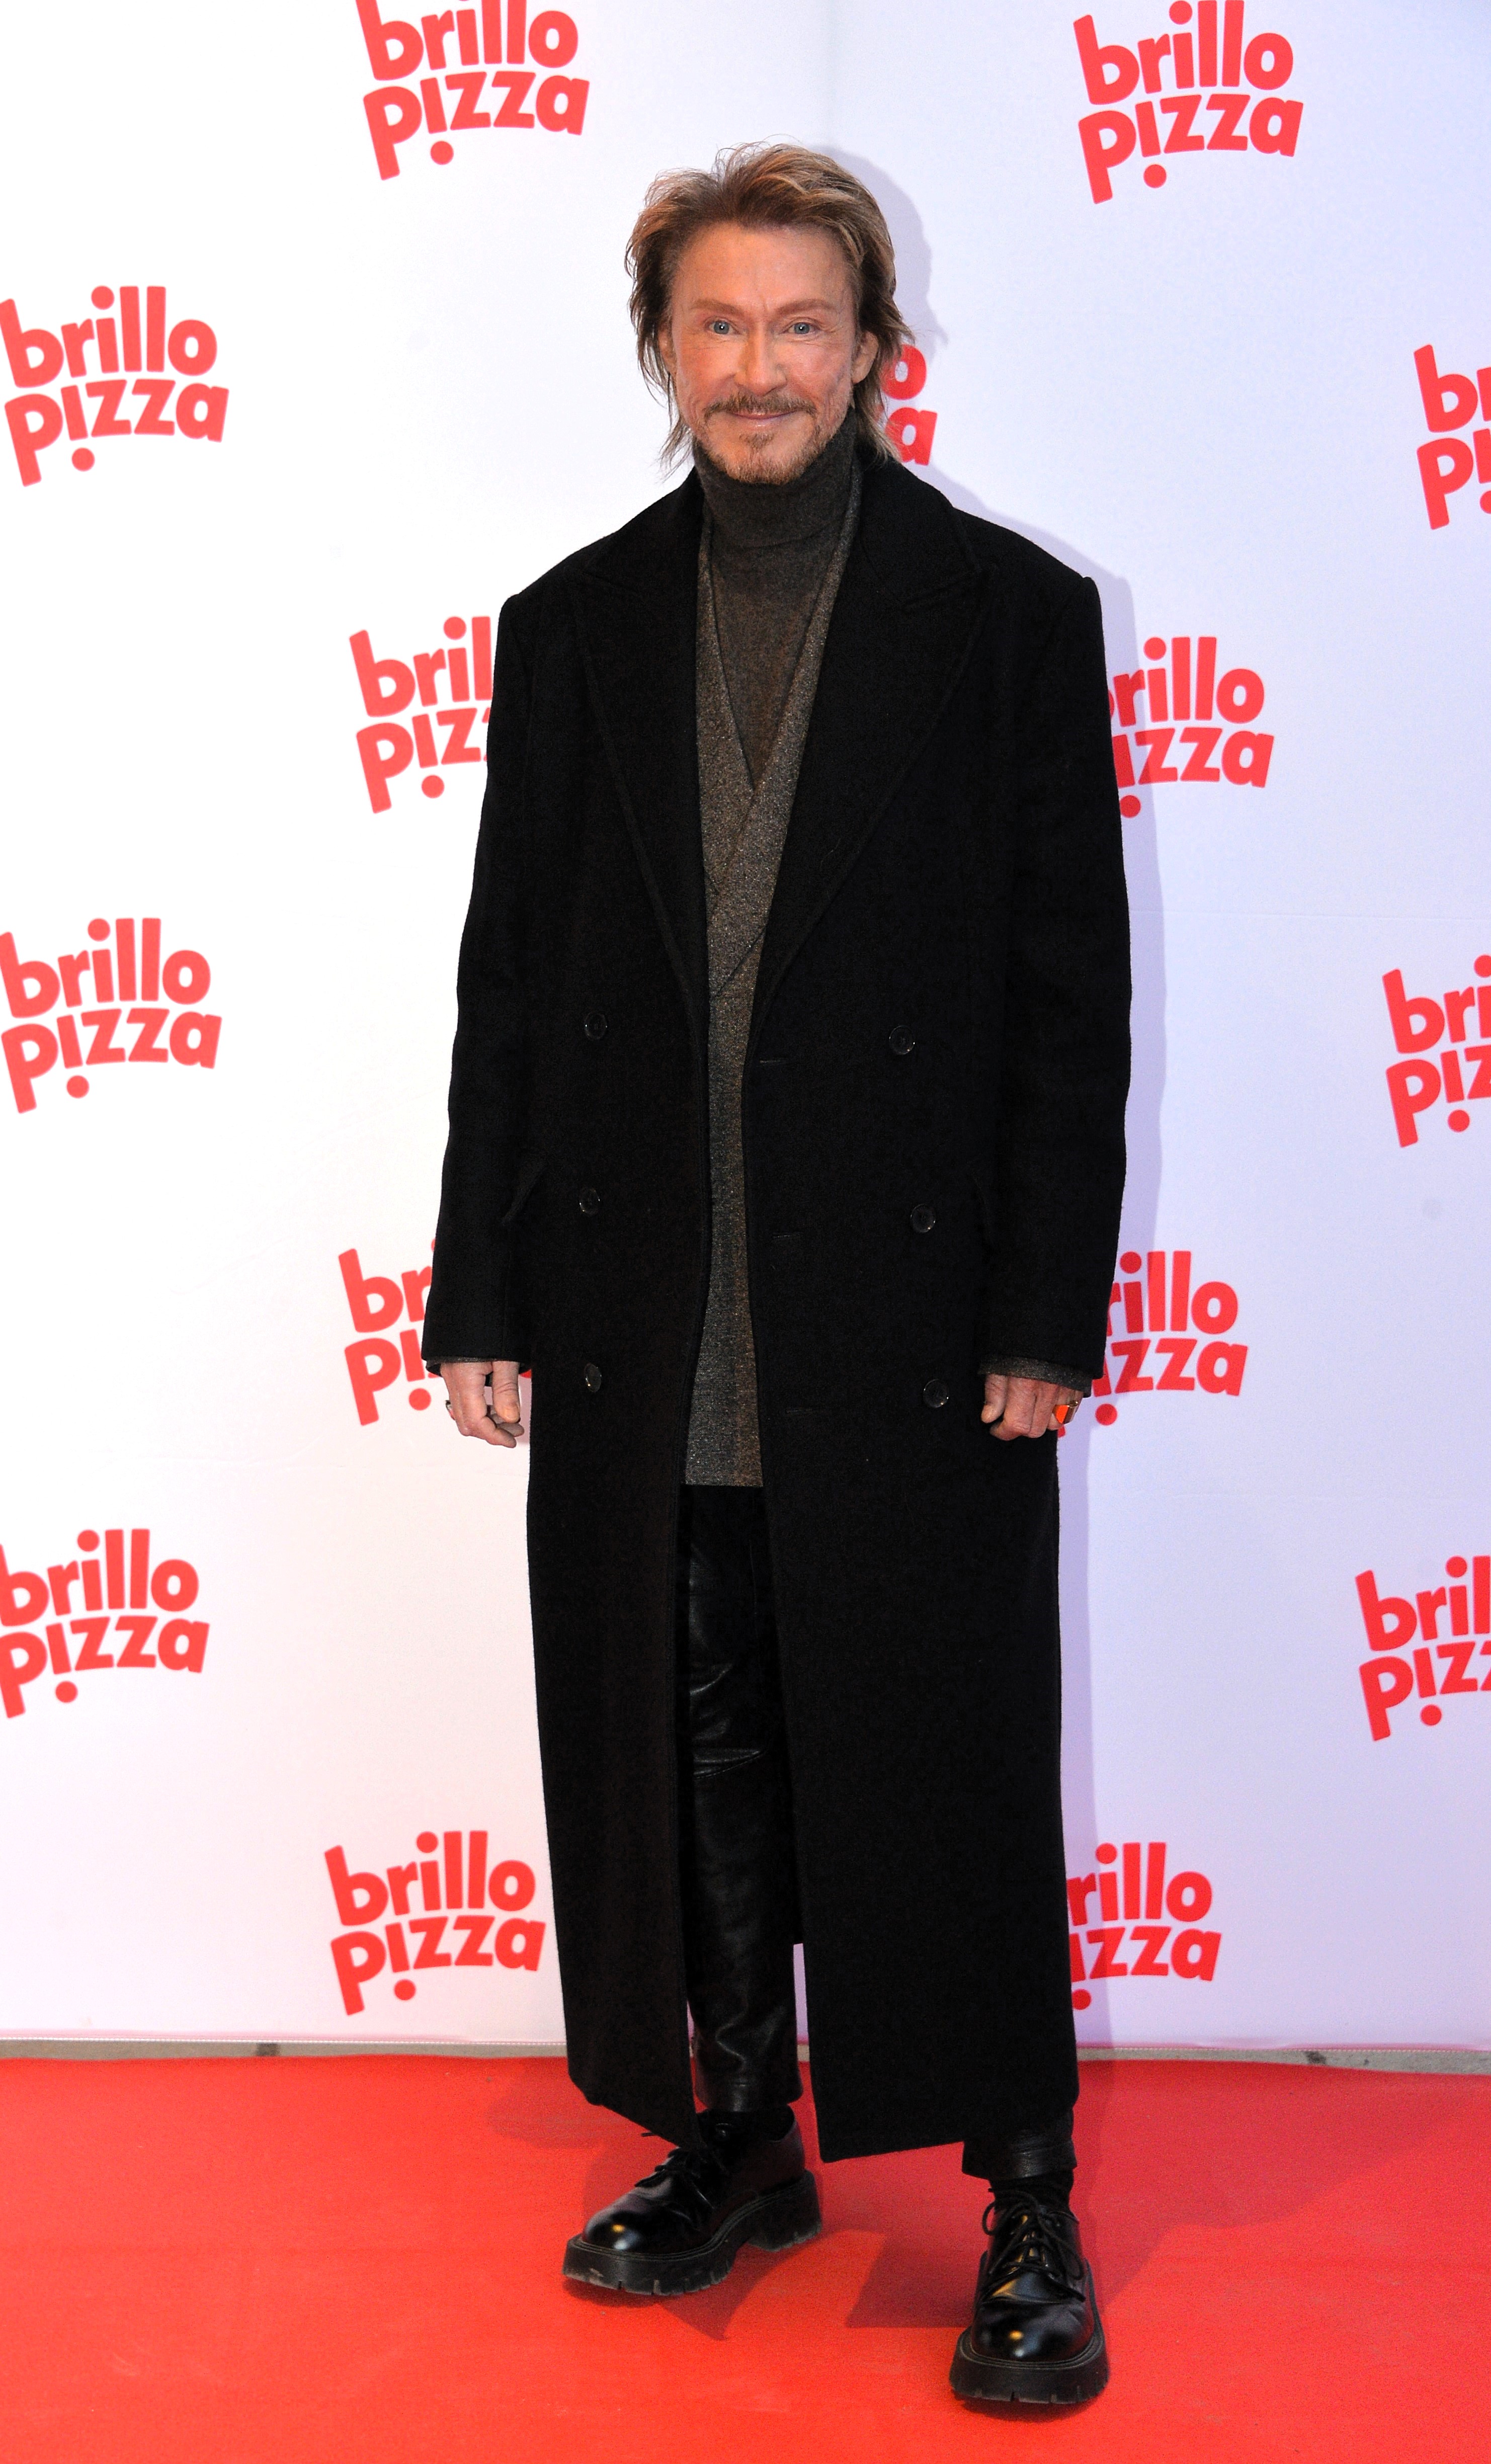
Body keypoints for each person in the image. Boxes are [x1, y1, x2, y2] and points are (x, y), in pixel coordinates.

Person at [423, 143, 1129, 2410]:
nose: (760, 367)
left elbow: (1067, 1002)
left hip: (910, 1319)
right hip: (650, 1303)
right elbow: (510, 983)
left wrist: (1042, 1308)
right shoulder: (571, 628)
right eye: (717, 326)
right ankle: (739, 2133)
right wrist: (478, 1281)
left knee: (948, 1747)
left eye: (801, 325)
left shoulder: (1008, 618)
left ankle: (1024, 2196)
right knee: (691, 1735)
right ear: (664, 349)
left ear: (873, 350)